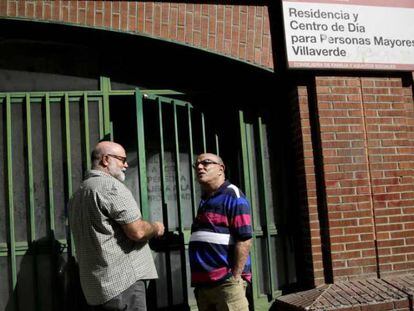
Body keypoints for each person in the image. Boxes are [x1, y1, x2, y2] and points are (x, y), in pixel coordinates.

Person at [68, 141, 165, 311]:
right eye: (122, 159)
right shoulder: (111, 187)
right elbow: (138, 231)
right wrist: (156, 227)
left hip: (96, 288)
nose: (126, 164)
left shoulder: (79, 193)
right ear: (106, 159)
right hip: (123, 282)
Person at [189, 153, 253, 311]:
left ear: (220, 169)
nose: (199, 167)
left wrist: (235, 277)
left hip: (226, 283)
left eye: (206, 163)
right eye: (196, 164)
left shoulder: (233, 195)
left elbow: (244, 239)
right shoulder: (206, 198)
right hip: (204, 284)